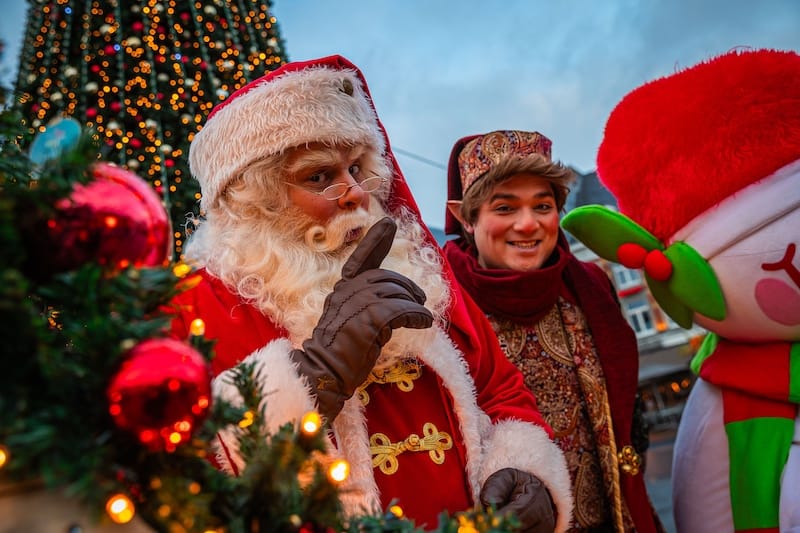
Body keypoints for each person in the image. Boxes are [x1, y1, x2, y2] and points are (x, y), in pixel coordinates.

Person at [167, 56, 572, 531]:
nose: (356, 192)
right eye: (319, 176)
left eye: (358, 168)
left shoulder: (421, 272)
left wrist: (527, 474)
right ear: (253, 201)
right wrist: (313, 375)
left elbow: (500, 389)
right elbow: (173, 479)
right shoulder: (191, 307)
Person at [443, 130, 664, 532]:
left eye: (542, 206)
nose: (528, 224)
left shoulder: (590, 286)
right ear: (466, 218)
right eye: (505, 208)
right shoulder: (443, 310)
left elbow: (626, 416)